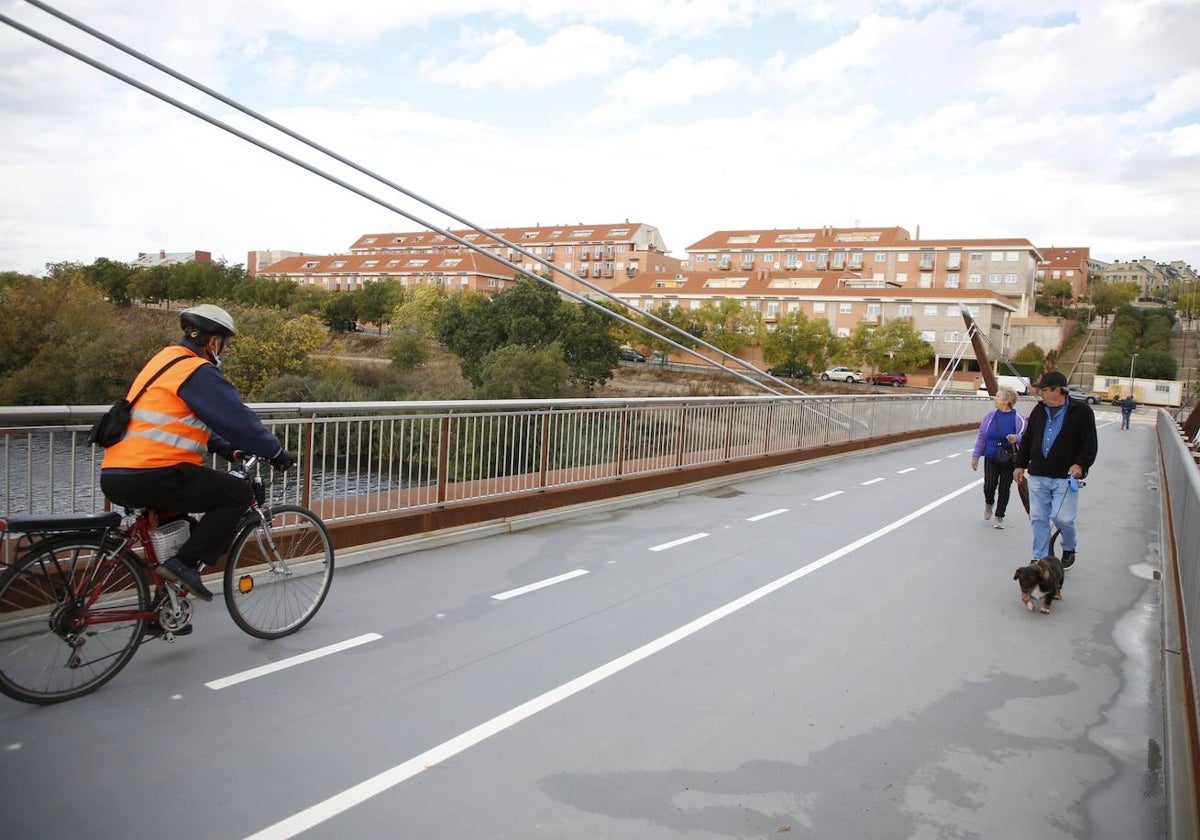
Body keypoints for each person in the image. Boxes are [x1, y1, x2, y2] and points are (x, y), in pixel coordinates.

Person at [101, 305, 296, 607]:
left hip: (118, 471)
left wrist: (227, 448)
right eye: (225, 344)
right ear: (214, 341)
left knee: (180, 524)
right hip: (155, 471)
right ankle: (186, 565)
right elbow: (236, 418)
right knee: (237, 493)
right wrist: (275, 451)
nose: (224, 351)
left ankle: (162, 608)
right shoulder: (197, 370)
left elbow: (182, 421)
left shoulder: (164, 361)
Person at [1013, 370, 1098, 569]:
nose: (1040, 393)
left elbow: (1089, 444)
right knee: (1038, 518)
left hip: (1065, 476)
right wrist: (1020, 465)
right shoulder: (1039, 410)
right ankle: (1040, 557)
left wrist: (1081, 465)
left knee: (1063, 519)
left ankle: (1068, 546)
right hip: (1038, 474)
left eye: (1043, 389)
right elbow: (1027, 440)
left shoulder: (1082, 412)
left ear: (1056, 390)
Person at [971, 386, 1027, 529]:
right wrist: (976, 456)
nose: (995, 399)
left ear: (1007, 400)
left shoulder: (1018, 419)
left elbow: (1026, 438)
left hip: (1009, 458)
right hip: (991, 455)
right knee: (989, 485)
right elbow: (982, 436)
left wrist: (1016, 438)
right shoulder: (990, 416)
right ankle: (989, 503)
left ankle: (999, 516)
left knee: (1004, 488)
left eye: (998, 396)